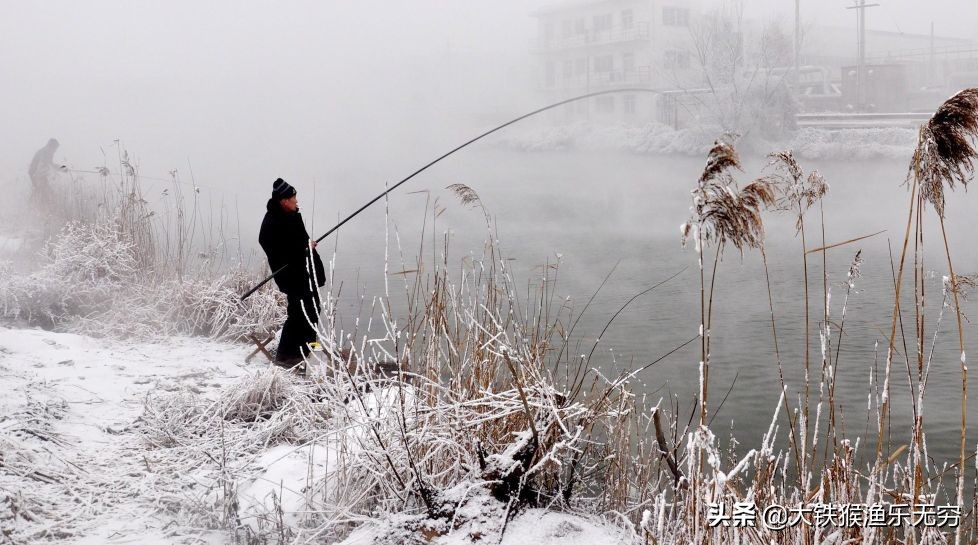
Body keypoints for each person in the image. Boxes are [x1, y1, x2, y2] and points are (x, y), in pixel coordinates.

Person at [258, 178, 326, 370]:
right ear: (283, 200)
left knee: (312, 308)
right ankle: (285, 357)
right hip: (291, 274)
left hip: (305, 269)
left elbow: (300, 239)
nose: (296, 201)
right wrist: (301, 248)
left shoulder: (292, 214)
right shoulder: (272, 220)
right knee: (298, 313)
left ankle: (304, 353)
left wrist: (308, 246)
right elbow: (270, 244)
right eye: (293, 198)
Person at [28, 138, 67, 209]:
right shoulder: (45, 152)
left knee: (41, 191)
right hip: (36, 174)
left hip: (38, 174)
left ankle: (35, 206)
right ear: (51, 146)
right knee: (43, 192)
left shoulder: (46, 152)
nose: (55, 151)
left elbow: (50, 164)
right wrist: (61, 169)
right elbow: (45, 164)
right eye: (55, 149)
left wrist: (62, 168)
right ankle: (39, 207)